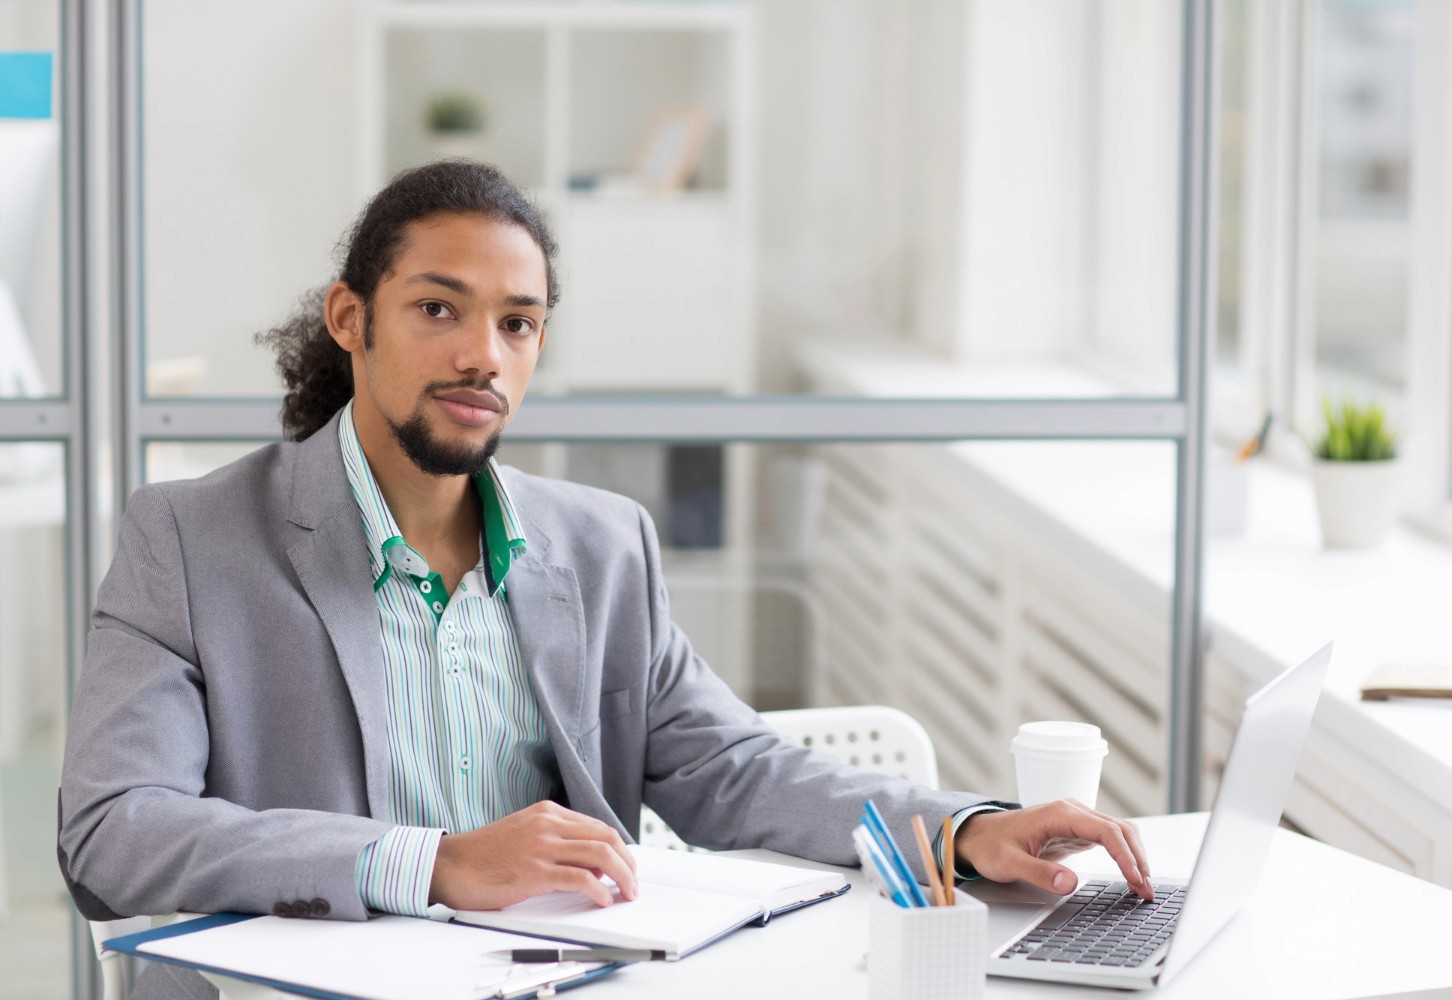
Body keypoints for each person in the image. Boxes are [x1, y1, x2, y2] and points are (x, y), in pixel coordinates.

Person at [59, 160, 1151, 998]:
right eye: (438, 308)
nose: (482, 352)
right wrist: (429, 863)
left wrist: (964, 826)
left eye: (516, 322)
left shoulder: (598, 544)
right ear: (352, 319)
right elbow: (112, 833)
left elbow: (732, 767)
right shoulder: (194, 537)